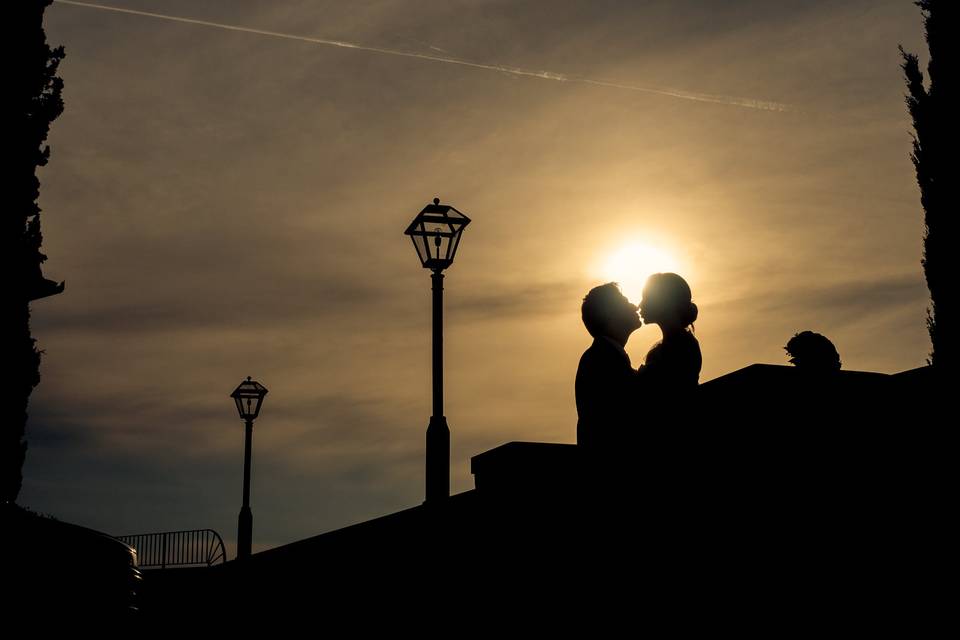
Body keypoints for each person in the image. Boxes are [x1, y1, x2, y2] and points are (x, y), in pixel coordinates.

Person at [575, 283, 642, 453]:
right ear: (611, 315)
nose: (635, 306)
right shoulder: (603, 359)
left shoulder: (603, 356)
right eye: (625, 303)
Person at [636, 273, 701, 391]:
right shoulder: (681, 342)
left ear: (663, 303)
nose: (640, 305)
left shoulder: (682, 346)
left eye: (646, 298)